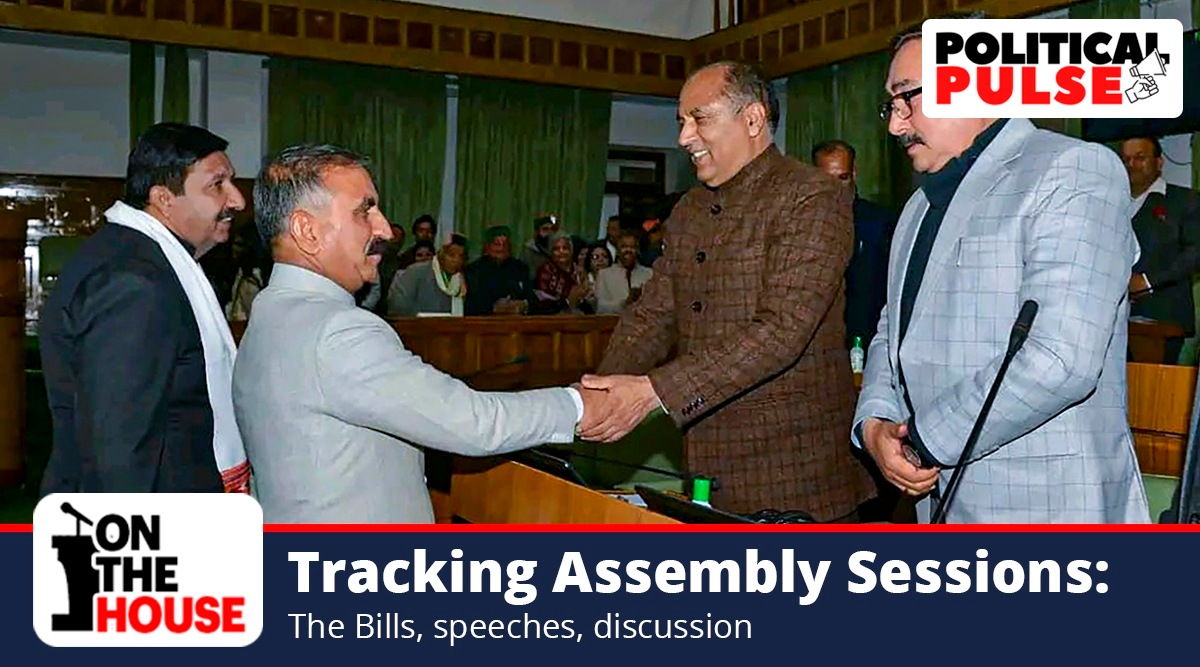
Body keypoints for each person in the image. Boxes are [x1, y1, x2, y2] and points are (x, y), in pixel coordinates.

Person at [851, 22, 1150, 523]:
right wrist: (876, 423)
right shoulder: (917, 208)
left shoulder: (1075, 170)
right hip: (940, 503)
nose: (896, 126)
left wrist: (921, 442)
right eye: (892, 105)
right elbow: (893, 330)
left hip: (1047, 510)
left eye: (907, 98)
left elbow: (1060, 358)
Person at [233, 144, 606, 523]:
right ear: (307, 230)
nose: (384, 229)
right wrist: (581, 405)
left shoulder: (270, 311)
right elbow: (474, 424)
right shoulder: (337, 330)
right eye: (365, 211)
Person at [580, 61, 875, 521]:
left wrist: (654, 392)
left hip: (795, 479)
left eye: (699, 118)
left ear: (753, 119)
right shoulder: (689, 209)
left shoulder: (812, 196)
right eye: (681, 121)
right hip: (706, 471)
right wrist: (597, 393)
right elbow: (653, 315)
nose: (684, 137)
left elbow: (782, 331)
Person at [39, 122, 251, 494]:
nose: (237, 200)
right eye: (217, 184)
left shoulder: (149, 259)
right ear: (164, 199)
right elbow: (117, 450)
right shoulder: (133, 282)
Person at [1118, 136, 1200, 364]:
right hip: (1113, 322)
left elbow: (1195, 252)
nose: (1131, 164)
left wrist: (1147, 281)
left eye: (1140, 157)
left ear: (1159, 162)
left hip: (1163, 319)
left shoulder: (1185, 200)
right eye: (1125, 159)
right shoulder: (1112, 203)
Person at [811, 140, 897, 353]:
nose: (836, 188)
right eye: (827, 179)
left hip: (870, 341)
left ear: (854, 174)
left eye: (843, 177)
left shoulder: (880, 223)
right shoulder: (802, 225)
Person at [387, 234, 468, 317]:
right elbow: (398, 305)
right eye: (451, 255)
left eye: (461, 256)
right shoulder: (415, 272)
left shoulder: (461, 280)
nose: (456, 260)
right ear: (440, 254)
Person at [464, 224, 531, 315]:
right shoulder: (473, 270)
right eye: (497, 244)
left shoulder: (520, 268)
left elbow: (531, 298)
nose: (501, 249)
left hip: (516, 320)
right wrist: (494, 307)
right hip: (484, 320)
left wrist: (524, 304)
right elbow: (470, 303)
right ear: (487, 247)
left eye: (505, 245)